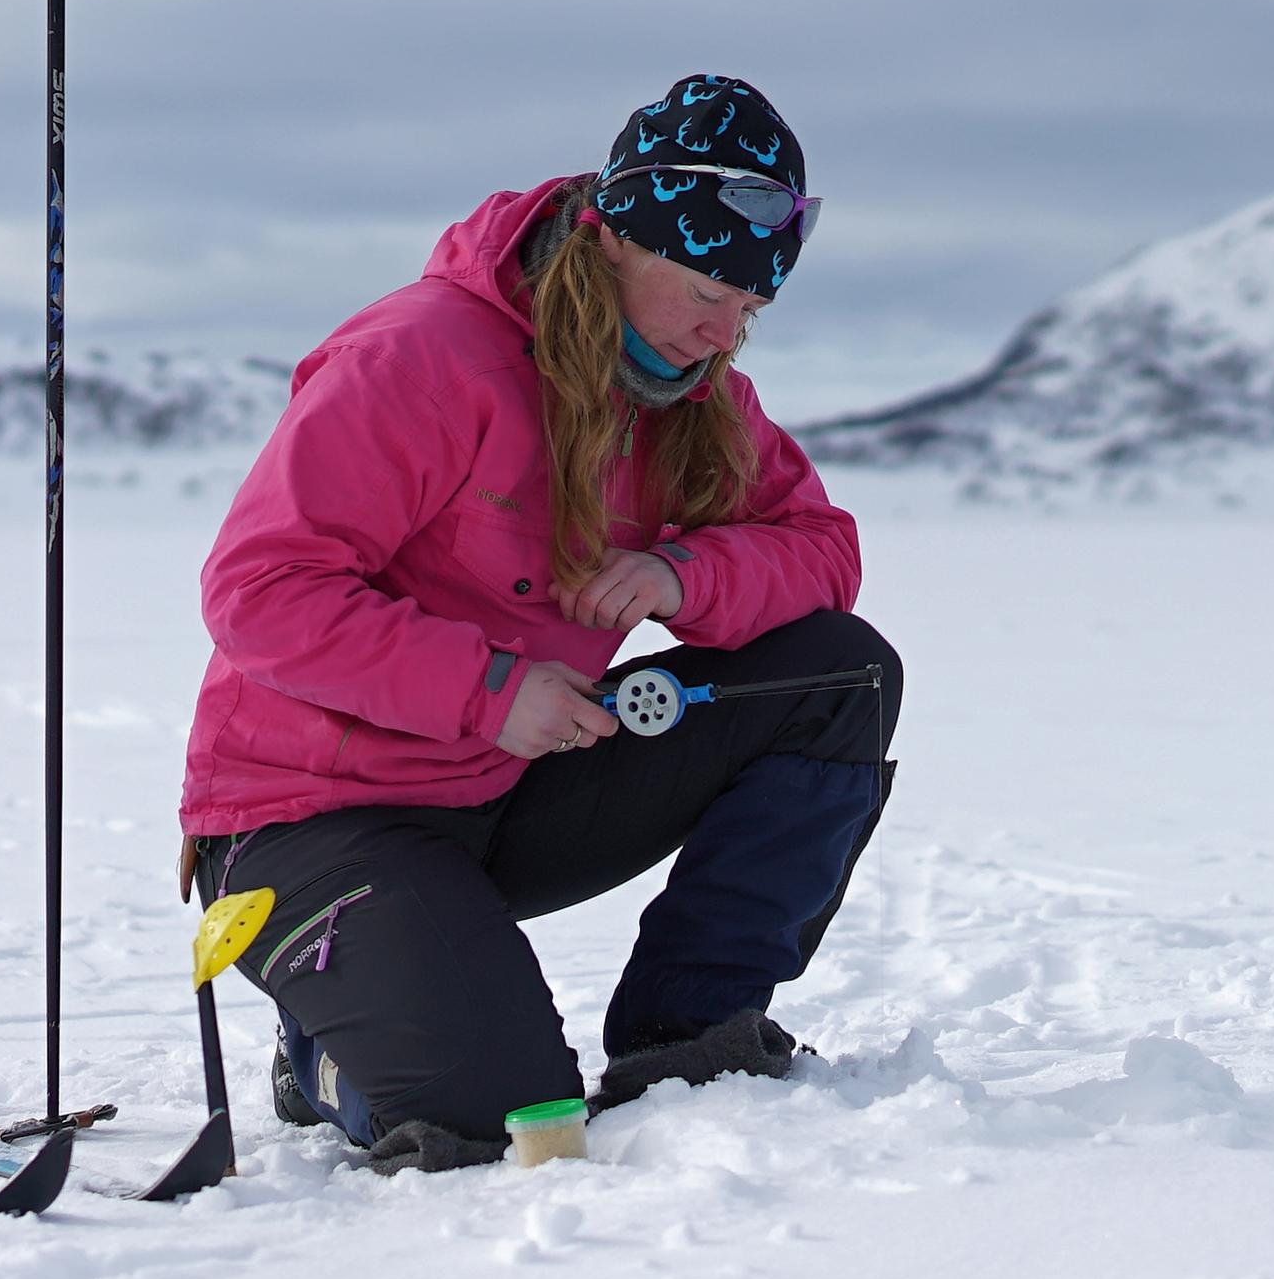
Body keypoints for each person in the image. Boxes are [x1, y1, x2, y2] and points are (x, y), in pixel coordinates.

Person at [175, 75, 902, 1173]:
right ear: (613, 238)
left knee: (839, 676)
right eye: (708, 286)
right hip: (307, 819)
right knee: (502, 1120)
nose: (724, 330)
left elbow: (822, 548)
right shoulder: (419, 357)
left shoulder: (690, 398)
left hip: (505, 792)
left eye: (750, 310)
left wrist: (682, 573)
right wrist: (490, 692)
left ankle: (687, 1036)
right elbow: (261, 588)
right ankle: (324, 1055)